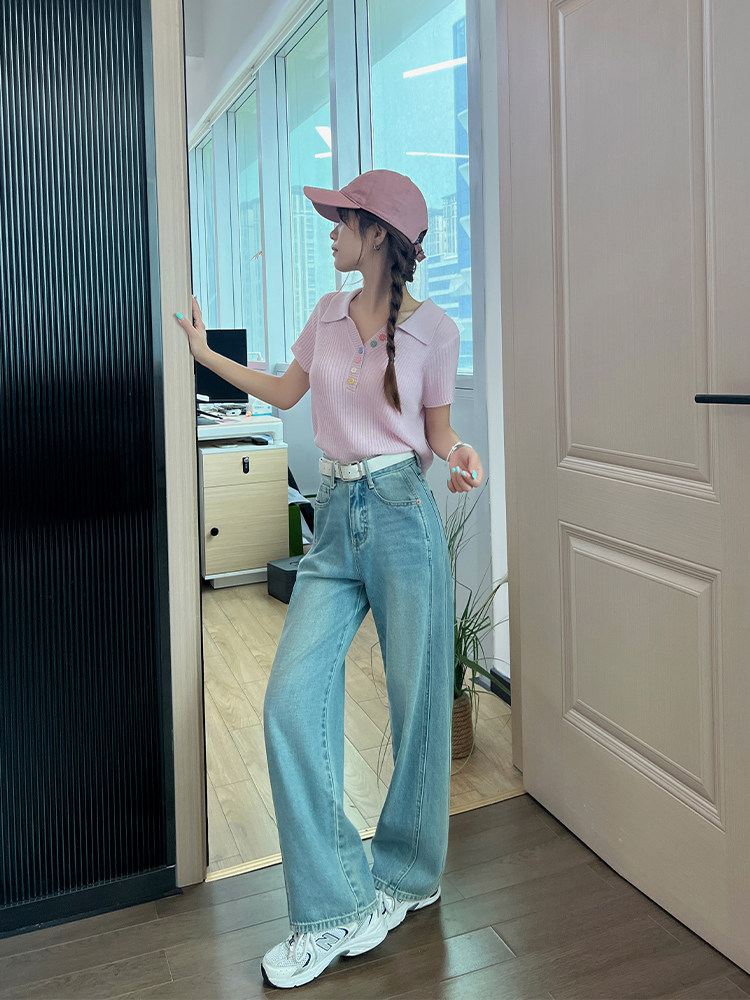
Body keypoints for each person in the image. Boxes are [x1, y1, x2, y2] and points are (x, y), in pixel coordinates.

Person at [176, 169, 483, 989]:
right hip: (335, 521)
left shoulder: (437, 332)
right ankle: (338, 902)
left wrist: (461, 456)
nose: (331, 232)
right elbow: (284, 392)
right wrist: (206, 356)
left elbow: (439, 433)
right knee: (288, 700)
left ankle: (410, 876)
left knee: (418, 706)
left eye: (340, 220)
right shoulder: (325, 315)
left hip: (402, 516)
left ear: (377, 233)